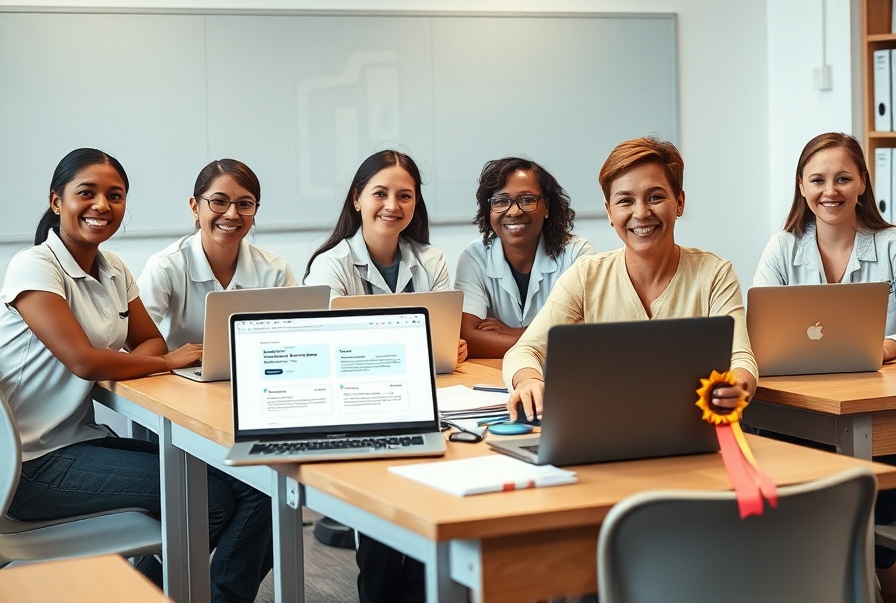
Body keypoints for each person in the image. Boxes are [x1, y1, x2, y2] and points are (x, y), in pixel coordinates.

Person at [0, 148, 273, 602]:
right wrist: (162, 363)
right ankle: (150, 588)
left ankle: (155, 588)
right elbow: (86, 361)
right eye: (86, 193)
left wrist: (151, 357)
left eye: (116, 195)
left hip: (77, 440)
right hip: (28, 464)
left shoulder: (113, 269)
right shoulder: (35, 266)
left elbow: (149, 341)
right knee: (212, 501)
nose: (102, 206)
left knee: (257, 485)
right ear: (55, 202)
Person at [753, 132, 896, 603]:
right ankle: (819, 570)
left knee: (892, 467)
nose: (830, 190)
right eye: (817, 179)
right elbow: (755, 330)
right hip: (807, 408)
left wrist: (884, 348)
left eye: (843, 178)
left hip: (883, 410)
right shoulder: (782, 247)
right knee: (770, 463)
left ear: (862, 182)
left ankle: (881, 557)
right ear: (802, 186)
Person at [503, 136, 758, 422]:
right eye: (625, 201)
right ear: (610, 212)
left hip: (693, 433)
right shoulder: (586, 276)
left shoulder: (714, 274)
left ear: (679, 202)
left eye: (655, 197)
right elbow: (525, 350)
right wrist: (528, 382)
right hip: (604, 430)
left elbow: (741, 357)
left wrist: (738, 385)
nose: (641, 213)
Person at [304, 149, 462, 603]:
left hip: (427, 400)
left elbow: (443, 348)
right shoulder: (332, 264)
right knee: (383, 524)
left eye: (405, 195)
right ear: (357, 199)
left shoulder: (430, 259)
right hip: (357, 405)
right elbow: (334, 351)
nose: (392, 205)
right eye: (380, 193)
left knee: (428, 500)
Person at [139, 158, 296, 349]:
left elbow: (295, 339)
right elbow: (137, 343)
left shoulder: (275, 270)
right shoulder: (166, 265)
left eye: (244, 204)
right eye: (219, 202)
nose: (232, 214)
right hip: (177, 375)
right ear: (195, 207)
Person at [455, 157, 595, 358]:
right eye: (501, 201)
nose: (514, 211)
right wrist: (547, 338)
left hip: (560, 374)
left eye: (527, 200)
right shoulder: (474, 257)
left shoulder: (578, 255)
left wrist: (517, 333)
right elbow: (467, 338)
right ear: (488, 211)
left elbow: (584, 336)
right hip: (493, 376)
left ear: (546, 206)